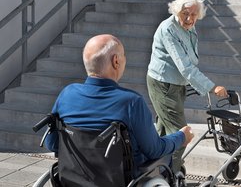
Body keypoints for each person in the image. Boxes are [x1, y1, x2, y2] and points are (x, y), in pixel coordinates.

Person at [44, 34, 194, 178]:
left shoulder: (67, 94)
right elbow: (155, 150)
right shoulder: (131, 102)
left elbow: (52, 144)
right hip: (122, 179)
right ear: (116, 61)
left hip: (75, 178)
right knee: (165, 159)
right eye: (123, 56)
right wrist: (181, 137)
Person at [146, 0, 228, 174]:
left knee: (163, 131)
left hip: (177, 85)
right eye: (185, 13)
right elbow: (186, 67)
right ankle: (169, 175)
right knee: (180, 134)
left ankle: (152, 172)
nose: (190, 19)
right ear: (177, 11)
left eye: (193, 15)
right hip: (163, 84)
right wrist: (212, 87)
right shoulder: (168, 29)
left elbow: (190, 61)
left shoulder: (189, 27)